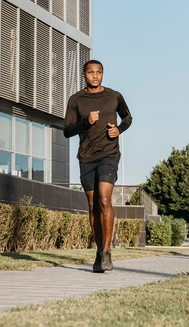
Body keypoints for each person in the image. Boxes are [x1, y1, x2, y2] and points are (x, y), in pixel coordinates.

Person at [64, 59, 133, 273]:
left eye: (99, 72)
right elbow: (67, 130)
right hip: (86, 157)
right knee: (93, 204)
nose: (95, 76)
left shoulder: (114, 96)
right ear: (84, 75)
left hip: (109, 154)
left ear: (103, 74)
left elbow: (128, 117)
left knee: (104, 198)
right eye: (91, 72)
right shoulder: (76, 100)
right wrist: (87, 122)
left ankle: (106, 250)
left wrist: (119, 130)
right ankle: (98, 250)